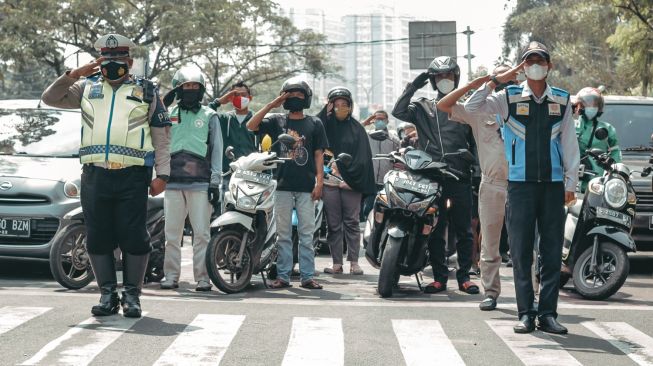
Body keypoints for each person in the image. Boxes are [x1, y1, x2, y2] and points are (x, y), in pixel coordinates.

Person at [41, 33, 171, 318]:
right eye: (107, 59)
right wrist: (75, 73)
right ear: (100, 61)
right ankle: (107, 295)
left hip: (133, 176)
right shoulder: (85, 88)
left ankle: (132, 297)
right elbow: (49, 98)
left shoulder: (146, 91)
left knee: (134, 235)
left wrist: (163, 173)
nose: (114, 65)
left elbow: (161, 137)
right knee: (98, 236)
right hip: (95, 175)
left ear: (130, 61)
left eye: (119, 59)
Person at [465, 41, 580, 334]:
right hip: (519, 186)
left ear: (549, 66)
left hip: (553, 186)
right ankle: (526, 313)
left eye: (540, 60)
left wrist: (571, 182)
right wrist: (496, 80)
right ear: (523, 67)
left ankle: (548, 314)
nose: (535, 65)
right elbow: (472, 106)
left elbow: (569, 143)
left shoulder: (562, 100)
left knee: (552, 252)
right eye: (529, 61)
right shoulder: (509, 97)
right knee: (519, 251)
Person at [392, 56, 479, 295]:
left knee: (464, 230)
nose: (445, 80)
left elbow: (476, 145)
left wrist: (476, 173)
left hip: (460, 176)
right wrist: (414, 85)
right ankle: (440, 277)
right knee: (435, 229)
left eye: (449, 76)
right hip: (430, 178)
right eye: (439, 76)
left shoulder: (465, 108)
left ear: (456, 78)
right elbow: (398, 110)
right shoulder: (422, 106)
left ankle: (464, 277)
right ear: (433, 80)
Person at [436, 64, 517, 311]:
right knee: (490, 244)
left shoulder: (525, 106)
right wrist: (480, 83)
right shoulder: (480, 110)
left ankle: (530, 295)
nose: (505, 84)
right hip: (492, 184)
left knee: (524, 245)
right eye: (501, 80)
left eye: (509, 79)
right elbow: (444, 106)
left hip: (522, 184)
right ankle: (491, 292)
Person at [246, 77, 328, 289]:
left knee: (306, 234)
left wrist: (320, 182)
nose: (294, 98)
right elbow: (250, 125)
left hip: (306, 186)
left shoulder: (314, 123)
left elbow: (319, 154)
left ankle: (307, 277)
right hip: (281, 185)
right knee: (283, 234)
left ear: (306, 98)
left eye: (299, 94)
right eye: (289, 94)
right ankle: (283, 276)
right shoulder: (276, 121)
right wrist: (272, 104)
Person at [159, 66, 223, 292]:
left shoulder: (210, 115)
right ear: (178, 88)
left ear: (201, 90)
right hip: (172, 182)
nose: (191, 90)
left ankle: (203, 278)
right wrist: (161, 105)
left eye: (195, 87)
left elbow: (216, 151)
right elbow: (154, 134)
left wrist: (215, 182)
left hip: (200, 183)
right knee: (172, 235)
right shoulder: (168, 113)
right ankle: (170, 276)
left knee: (202, 234)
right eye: (186, 86)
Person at [318, 87, 376, 275]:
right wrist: (324, 112)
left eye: (345, 105)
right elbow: (314, 131)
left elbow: (364, 158)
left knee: (351, 223)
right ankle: (336, 263)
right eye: (337, 105)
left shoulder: (357, 128)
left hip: (352, 183)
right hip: (329, 182)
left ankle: (353, 262)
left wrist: (351, 180)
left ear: (350, 107)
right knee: (333, 224)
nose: (341, 108)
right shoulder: (324, 125)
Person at [208, 81, 257, 206]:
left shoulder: (257, 120)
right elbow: (205, 114)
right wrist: (218, 101)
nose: (240, 98)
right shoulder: (224, 119)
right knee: (226, 210)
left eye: (243, 94)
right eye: (236, 95)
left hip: (252, 176)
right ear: (230, 98)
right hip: (228, 175)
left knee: (251, 211)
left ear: (250, 98)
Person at [574, 87, 621, 192]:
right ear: (579, 105)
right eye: (587, 104)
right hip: (572, 179)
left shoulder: (607, 129)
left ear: (599, 107)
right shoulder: (570, 125)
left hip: (598, 180)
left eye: (594, 105)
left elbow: (615, 153)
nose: (591, 107)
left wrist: (614, 172)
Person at [361, 110, 399, 221]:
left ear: (387, 121)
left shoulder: (394, 140)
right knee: (367, 209)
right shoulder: (367, 136)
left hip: (387, 181)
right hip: (370, 179)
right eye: (377, 119)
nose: (380, 121)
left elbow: (397, 160)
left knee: (384, 211)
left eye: (382, 119)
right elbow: (354, 131)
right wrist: (365, 123)